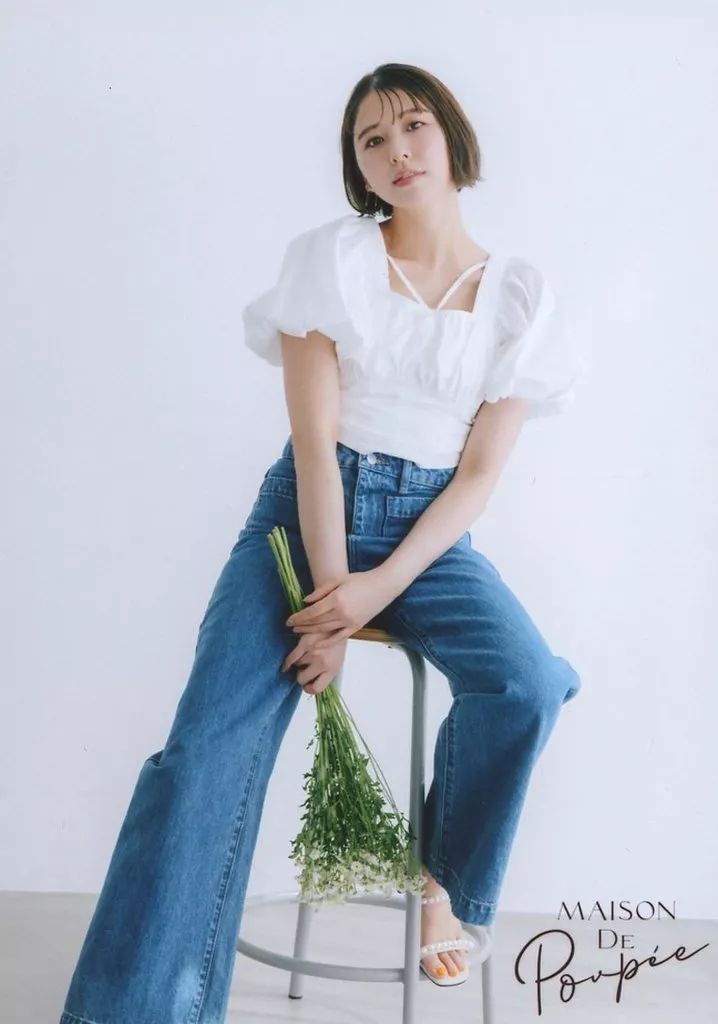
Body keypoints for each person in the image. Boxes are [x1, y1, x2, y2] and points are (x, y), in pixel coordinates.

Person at [58, 62, 588, 1023]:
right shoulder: (332, 260)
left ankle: (439, 883)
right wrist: (333, 601)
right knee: (202, 758)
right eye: (371, 140)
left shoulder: (520, 295)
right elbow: (313, 447)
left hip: (429, 536)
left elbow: (477, 477)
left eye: (413, 126)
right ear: (356, 165)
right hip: (307, 519)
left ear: (452, 135)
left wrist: (377, 592)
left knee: (529, 682)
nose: (396, 152)